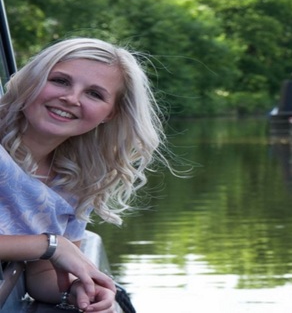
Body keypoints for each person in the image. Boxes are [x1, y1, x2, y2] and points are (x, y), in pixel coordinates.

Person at [0, 37, 174, 312]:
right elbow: (51, 250)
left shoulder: (75, 181)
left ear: (110, 114)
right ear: (31, 81)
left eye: (94, 94)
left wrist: (78, 289)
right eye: (59, 80)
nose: (71, 98)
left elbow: (42, 275)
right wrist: (51, 245)